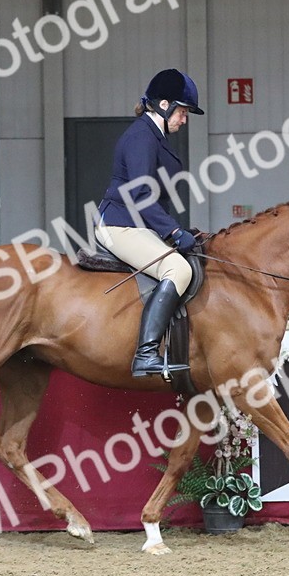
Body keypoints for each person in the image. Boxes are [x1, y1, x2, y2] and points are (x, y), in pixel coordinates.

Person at [95, 68, 204, 379]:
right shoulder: (142, 136)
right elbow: (140, 193)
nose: (184, 120)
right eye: (183, 112)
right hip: (119, 225)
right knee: (178, 269)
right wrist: (173, 231)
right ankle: (145, 354)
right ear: (164, 105)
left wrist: (176, 229)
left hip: (136, 223)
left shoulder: (153, 135)